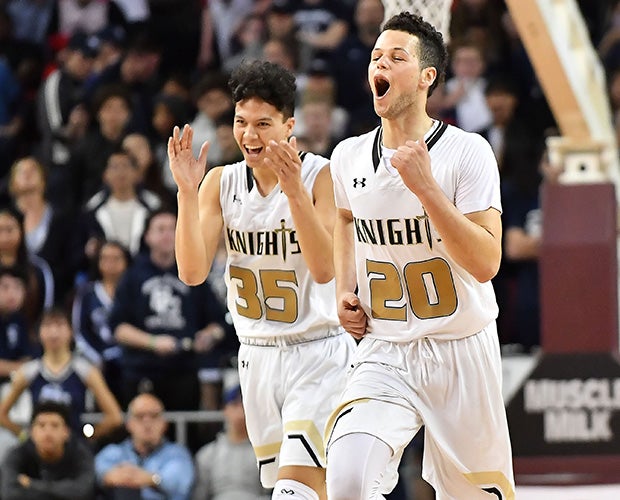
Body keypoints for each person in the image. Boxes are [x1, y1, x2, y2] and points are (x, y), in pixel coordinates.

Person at [325, 12, 515, 500]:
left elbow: (487, 262)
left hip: (460, 348)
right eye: (374, 56)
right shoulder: (347, 155)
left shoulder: (467, 152)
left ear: (427, 77)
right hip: (386, 350)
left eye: (395, 56)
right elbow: (345, 220)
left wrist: (428, 190)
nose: (379, 64)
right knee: (347, 478)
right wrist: (346, 289)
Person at [168, 59, 355, 500]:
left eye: (263, 124)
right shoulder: (221, 182)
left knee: (295, 490)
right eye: (240, 122)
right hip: (256, 357)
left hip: (318, 352)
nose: (249, 136)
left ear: (289, 126)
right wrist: (186, 193)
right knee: (315, 490)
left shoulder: (321, 175)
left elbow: (325, 268)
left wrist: (293, 192)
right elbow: (192, 272)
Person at [108, 208, 231, 414]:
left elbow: (218, 322)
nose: (167, 234)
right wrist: (153, 343)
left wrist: (209, 336)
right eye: (160, 229)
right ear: (147, 236)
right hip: (142, 371)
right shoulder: (133, 276)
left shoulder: (194, 272)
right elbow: (118, 328)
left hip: (185, 371)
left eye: (173, 228)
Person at [0, 307, 123, 441]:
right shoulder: (29, 371)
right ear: (38, 333)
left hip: (73, 449)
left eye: (59, 325)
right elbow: (2, 414)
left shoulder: (85, 370)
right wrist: (25, 437)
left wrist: (87, 437)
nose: (54, 333)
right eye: (47, 326)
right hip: (39, 448)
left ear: (71, 331)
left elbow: (115, 417)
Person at [95, 392, 195, 500]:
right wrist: (108, 477)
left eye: (153, 416)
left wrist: (151, 479)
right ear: (129, 424)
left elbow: (179, 484)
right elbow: (96, 475)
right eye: (140, 416)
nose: (147, 423)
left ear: (164, 423)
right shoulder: (112, 452)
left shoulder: (177, 454)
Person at [0, 400, 96, 500]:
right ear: (32, 431)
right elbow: (9, 494)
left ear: (66, 432)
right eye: (41, 425)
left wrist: (32, 484)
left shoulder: (81, 453)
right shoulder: (16, 454)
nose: (48, 432)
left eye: (55, 425)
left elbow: (84, 492)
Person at [192, 384, 271, 500]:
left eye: (245, 405)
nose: (241, 412)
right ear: (225, 409)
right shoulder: (207, 454)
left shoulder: (265, 452)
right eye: (235, 405)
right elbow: (199, 495)